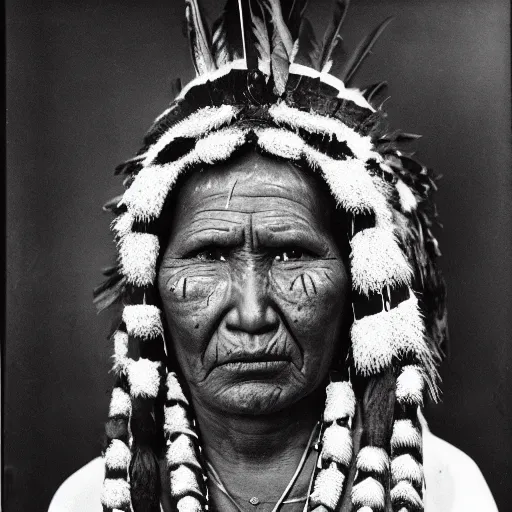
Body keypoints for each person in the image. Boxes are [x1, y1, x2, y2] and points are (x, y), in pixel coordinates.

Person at [49, 1, 497, 511]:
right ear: (150, 287)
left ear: (362, 280)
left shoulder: (444, 490)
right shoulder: (88, 500)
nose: (251, 314)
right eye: (210, 255)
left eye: (289, 255)